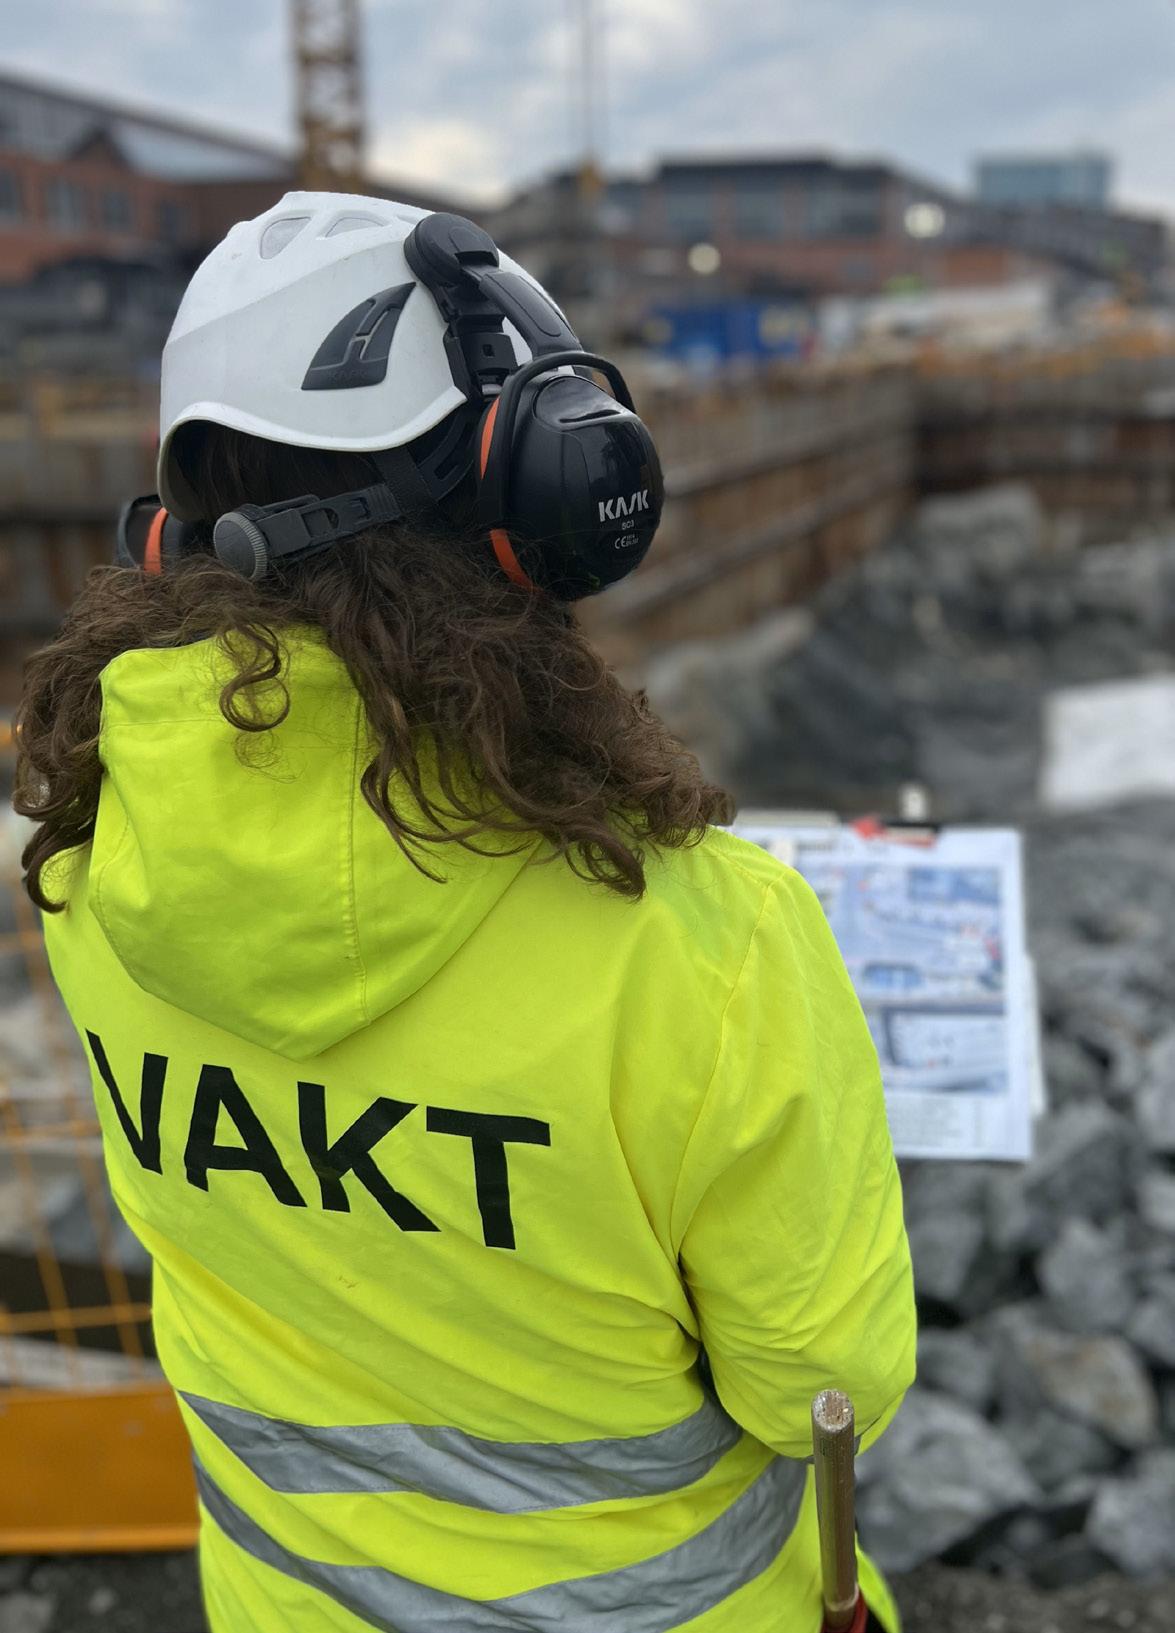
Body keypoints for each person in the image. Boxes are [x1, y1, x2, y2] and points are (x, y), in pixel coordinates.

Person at [16, 194, 915, 1633]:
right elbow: (824, 1383)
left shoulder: (95, 862)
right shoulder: (706, 939)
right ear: (542, 511)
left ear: (183, 531)